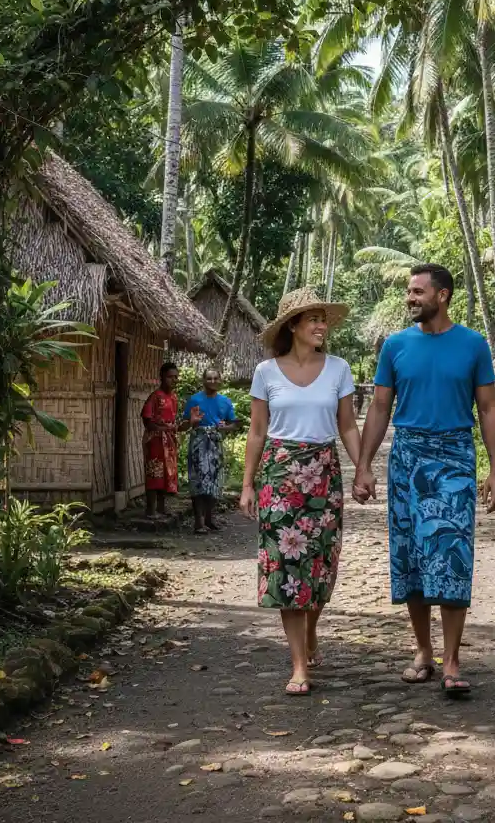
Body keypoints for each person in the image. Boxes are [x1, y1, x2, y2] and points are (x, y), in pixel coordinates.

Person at [354, 264, 495, 698]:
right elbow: (380, 408)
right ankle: (423, 652)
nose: (410, 298)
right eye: (409, 291)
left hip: (456, 455)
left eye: (418, 291)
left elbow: (489, 409)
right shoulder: (396, 346)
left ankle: (453, 660)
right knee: (412, 557)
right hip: (407, 458)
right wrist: (364, 465)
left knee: (453, 553)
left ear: (442, 296)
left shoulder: (473, 345)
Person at [239, 288, 361, 696]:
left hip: (324, 474)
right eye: (312, 319)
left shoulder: (339, 368)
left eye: (323, 318)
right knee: (287, 567)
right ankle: (298, 666)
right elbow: (257, 432)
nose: (321, 325)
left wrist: (362, 468)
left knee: (321, 565)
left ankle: (313, 627)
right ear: (293, 325)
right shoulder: (266, 372)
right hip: (279, 476)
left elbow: (347, 426)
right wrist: (247, 485)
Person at [181, 368, 238, 534]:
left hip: (215, 442)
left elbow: (234, 423)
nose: (212, 382)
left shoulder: (225, 401)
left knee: (215, 480)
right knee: (197, 480)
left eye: (215, 378)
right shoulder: (194, 400)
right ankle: (198, 521)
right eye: (209, 379)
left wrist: (225, 426)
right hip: (198, 441)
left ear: (220, 380)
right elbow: (183, 424)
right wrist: (192, 421)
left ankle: (209, 519)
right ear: (203, 381)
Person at [141, 363, 191, 518]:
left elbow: (174, 422)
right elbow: (147, 419)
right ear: (162, 377)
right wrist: (163, 429)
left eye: (176, 377)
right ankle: (150, 510)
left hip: (169, 441)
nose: (174, 380)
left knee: (166, 474)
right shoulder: (155, 397)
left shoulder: (174, 398)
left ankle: (162, 508)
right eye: (170, 377)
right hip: (155, 440)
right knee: (154, 473)